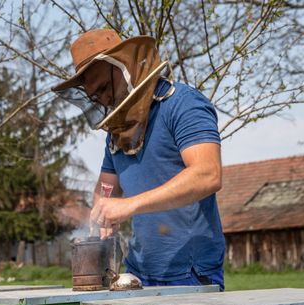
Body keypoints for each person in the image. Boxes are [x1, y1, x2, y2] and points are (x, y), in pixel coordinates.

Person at [52, 29, 225, 289]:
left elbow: (207, 174)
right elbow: (106, 187)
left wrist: (129, 205)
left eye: (104, 88)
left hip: (191, 274)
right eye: (95, 95)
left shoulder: (182, 103)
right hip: (137, 274)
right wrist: (102, 210)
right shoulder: (116, 134)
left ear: (125, 66)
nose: (104, 98)